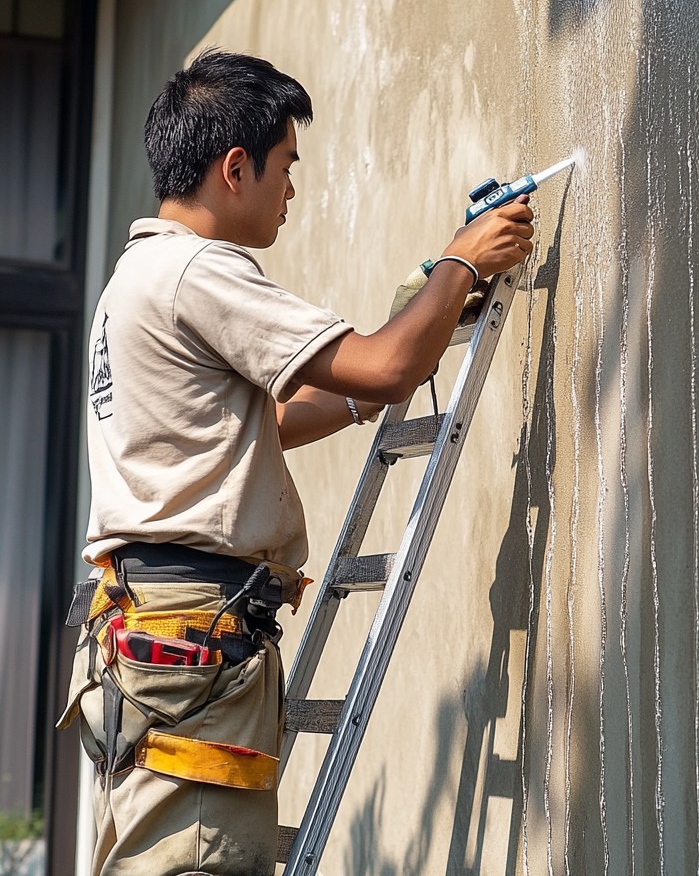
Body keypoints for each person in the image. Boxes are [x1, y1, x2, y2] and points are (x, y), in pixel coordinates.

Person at [58, 48, 534, 876]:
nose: (291, 189)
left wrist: (396, 351)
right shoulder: (197, 271)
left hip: (154, 637)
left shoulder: (135, 279)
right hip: (194, 641)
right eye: (285, 165)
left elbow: (267, 422)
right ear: (234, 168)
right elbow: (386, 366)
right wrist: (461, 263)